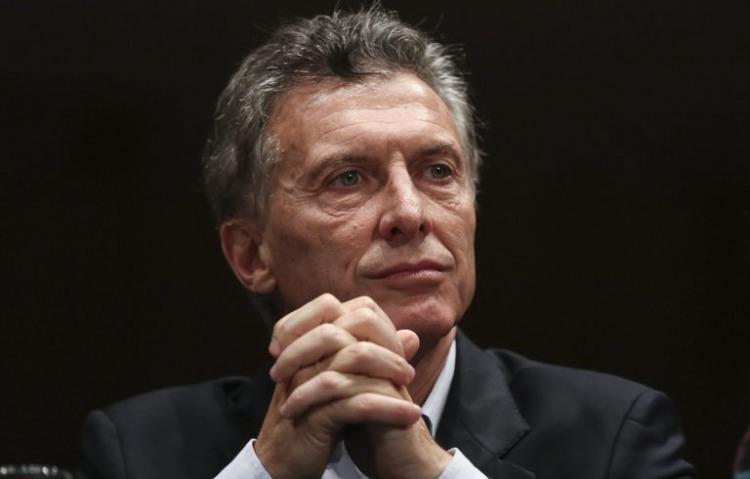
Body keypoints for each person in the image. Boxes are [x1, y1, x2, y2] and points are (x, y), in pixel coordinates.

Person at [77, 6, 695, 478]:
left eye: (437, 171)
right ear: (251, 254)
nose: (410, 213)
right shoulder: (140, 449)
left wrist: (432, 472)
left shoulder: (614, 436)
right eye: (348, 178)